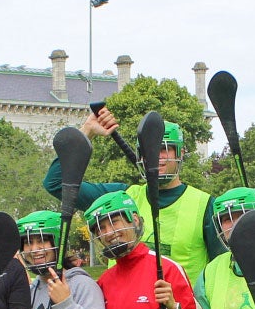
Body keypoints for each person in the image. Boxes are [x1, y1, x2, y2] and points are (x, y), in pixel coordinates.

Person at [46, 110, 222, 288]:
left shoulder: (206, 205)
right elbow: (55, 183)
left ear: (180, 153)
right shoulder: (119, 198)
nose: (156, 156)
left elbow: (220, 270)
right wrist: (88, 131)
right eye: (149, 150)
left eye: (164, 149)